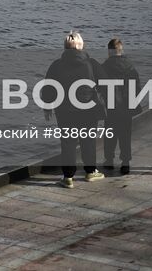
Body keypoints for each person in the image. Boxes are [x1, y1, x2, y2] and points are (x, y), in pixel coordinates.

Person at [44, 31, 104, 188]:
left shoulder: (56, 65)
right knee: (88, 140)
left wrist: (47, 105)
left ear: (65, 47)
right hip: (88, 110)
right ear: (82, 46)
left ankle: (68, 177)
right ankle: (91, 172)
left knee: (68, 142)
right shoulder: (92, 64)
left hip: (64, 111)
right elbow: (105, 85)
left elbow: (48, 87)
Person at [100, 38, 141, 175]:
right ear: (121, 50)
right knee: (125, 134)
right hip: (126, 106)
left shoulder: (105, 66)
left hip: (111, 106)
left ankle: (109, 160)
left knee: (110, 133)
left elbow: (100, 86)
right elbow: (137, 87)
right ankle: (125, 162)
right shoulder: (130, 66)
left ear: (109, 52)